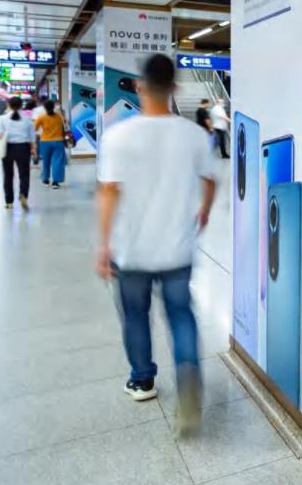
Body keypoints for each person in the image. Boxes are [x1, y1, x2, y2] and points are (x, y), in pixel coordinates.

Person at [96, 54, 216, 436]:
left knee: (135, 315)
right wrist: (204, 211)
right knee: (181, 314)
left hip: (131, 250)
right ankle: (189, 376)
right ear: (174, 88)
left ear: (139, 87)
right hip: (177, 247)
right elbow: (210, 180)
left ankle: (142, 380)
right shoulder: (194, 135)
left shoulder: (118, 136)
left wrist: (103, 245)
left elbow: (109, 193)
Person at [0, 96, 36, 209]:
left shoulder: (2, 119)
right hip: (24, 148)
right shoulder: (27, 119)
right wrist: (33, 149)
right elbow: (32, 136)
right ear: (21, 105)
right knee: (24, 174)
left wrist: (7, 134)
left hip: (7, 148)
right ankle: (23, 195)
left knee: (8, 175)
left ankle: (9, 202)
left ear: (9, 105)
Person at [34, 100, 67, 188]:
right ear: (54, 107)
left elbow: (34, 128)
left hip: (45, 142)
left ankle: (45, 179)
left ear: (44, 108)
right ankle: (55, 182)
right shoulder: (59, 116)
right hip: (58, 141)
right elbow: (64, 127)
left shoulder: (41, 117)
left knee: (46, 161)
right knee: (57, 161)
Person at [31, 96, 48, 165]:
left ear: (40, 102)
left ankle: (36, 159)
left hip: (39, 131)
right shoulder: (52, 109)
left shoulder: (36, 110)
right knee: (46, 146)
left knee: (37, 146)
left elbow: (34, 120)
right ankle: (46, 158)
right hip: (49, 132)